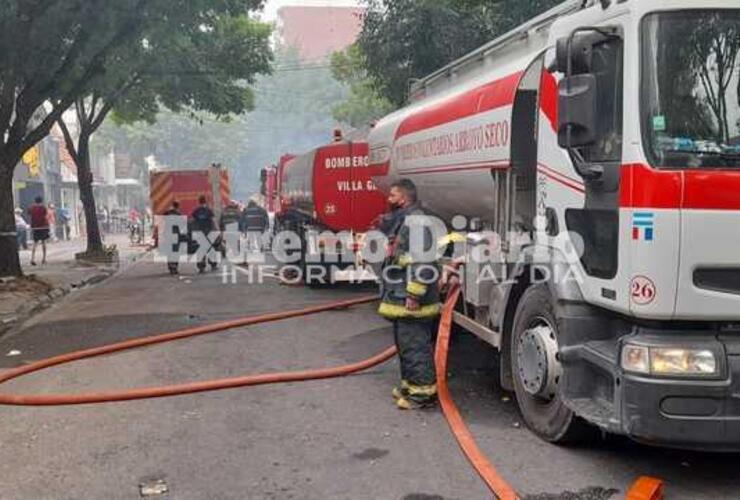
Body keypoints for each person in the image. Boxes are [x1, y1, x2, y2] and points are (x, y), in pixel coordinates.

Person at [377, 179, 441, 410]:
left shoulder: (416, 223)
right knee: (406, 346)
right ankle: (409, 386)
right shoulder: (406, 221)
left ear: (403, 198)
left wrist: (413, 295)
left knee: (415, 348)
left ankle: (422, 396)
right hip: (400, 297)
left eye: (392, 196)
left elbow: (422, 262)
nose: (388, 200)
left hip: (412, 301)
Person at [190, 195, 218, 273]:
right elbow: (213, 221)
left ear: (199, 201)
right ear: (206, 201)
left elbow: (192, 221)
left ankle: (201, 266)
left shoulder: (196, 211)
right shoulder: (209, 210)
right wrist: (217, 230)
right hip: (208, 232)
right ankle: (213, 264)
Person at [163, 201, 183, 275]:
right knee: (175, 251)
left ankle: (170, 266)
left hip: (167, 233)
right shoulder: (178, 214)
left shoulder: (167, 213)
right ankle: (174, 267)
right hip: (175, 234)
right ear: (178, 206)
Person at [28, 196, 49, 266]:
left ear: (35, 201)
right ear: (41, 201)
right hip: (43, 226)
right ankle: (44, 259)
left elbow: (29, 214)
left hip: (35, 227)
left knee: (35, 243)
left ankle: (32, 259)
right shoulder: (43, 208)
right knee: (44, 242)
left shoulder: (31, 208)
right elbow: (46, 215)